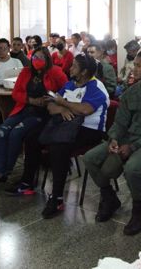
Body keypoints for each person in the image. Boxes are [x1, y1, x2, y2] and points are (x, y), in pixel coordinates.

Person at [83, 50, 141, 236]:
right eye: (134, 65)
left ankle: (139, 210)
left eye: (139, 65)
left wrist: (133, 147)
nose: (134, 69)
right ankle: (109, 198)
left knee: (132, 167)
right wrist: (114, 138)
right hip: (129, 138)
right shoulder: (131, 92)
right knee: (90, 158)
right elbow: (120, 122)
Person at [0, 47, 67, 188]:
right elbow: (16, 93)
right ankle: (0, 170)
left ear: (47, 59)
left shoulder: (55, 72)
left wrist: (52, 99)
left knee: (16, 133)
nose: (37, 61)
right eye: (35, 57)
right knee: (3, 130)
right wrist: (30, 100)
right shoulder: (26, 72)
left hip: (43, 113)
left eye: (41, 58)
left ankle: (5, 170)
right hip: (24, 108)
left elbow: (66, 90)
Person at [41, 54, 110, 218]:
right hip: (69, 125)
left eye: (74, 66)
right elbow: (50, 103)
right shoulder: (70, 84)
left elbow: (85, 110)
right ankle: (29, 182)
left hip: (91, 130)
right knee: (37, 136)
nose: (70, 68)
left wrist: (63, 103)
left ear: (84, 71)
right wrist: (63, 109)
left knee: (59, 146)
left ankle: (57, 197)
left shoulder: (96, 87)